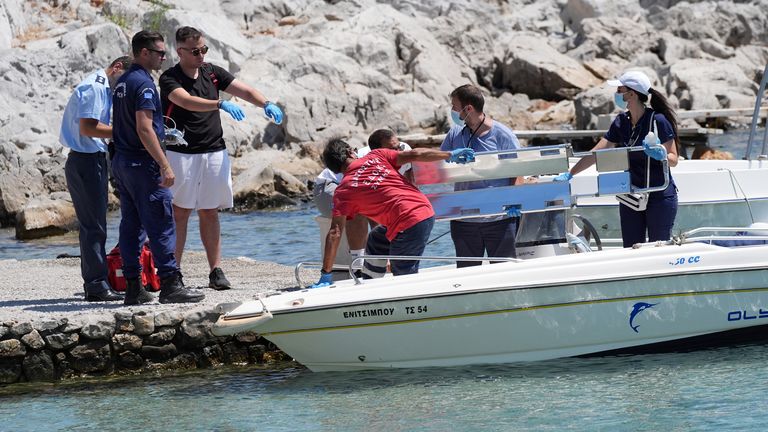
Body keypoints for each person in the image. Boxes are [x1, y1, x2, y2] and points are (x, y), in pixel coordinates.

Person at [159, 26, 284, 291]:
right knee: (179, 213)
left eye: (204, 49)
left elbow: (245, 90)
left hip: (214, 151)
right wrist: (219, 104)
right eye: (195, 51)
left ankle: (215, 271)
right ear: (180, 51)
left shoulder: (212, 72)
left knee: (210, 211)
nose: (201, 55)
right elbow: (186, 101)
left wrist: (266, 103)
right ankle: (173, 273)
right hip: (182, 153)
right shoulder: (169, 77)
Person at [112, 30, 204, 305]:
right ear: (144, 53)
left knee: (131, 224)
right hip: (143, 164)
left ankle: (132, 287)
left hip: (122, 162)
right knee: (162, 223)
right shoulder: (144, 84)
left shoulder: (122, 82)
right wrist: (165, 165)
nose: (164, 57)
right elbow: (144, 127)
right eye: (160, 53)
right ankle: (170, 284)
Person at [310, 138, 475, 287]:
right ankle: (370, 285)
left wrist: (326, 273)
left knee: (403, 275)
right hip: (423, 211)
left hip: (410, 223)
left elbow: (335, 232)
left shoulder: (343, 191)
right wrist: (448, 154)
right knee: (376, 239)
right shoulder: (377, 155)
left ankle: (411, 304)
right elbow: (415, 154)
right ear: (350, 152)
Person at [555, 70, 679, 247]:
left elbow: (674, 159)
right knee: (630, 248)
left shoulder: (658, 120)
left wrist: (661, 155)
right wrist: (570, 174)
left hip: (659, 196)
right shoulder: (621, 121)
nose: (616, 94)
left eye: (620, 90)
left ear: (631, 94)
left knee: (657, 248)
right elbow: (596, 153)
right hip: (631, 196)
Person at [60, 56, 132, 302]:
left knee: (95, 224)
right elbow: (88, 128)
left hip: (91, 158)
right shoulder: (97, 86)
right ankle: (96, 284)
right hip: (85, 159)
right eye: (124, 79)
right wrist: (127, 130)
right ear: (117, 68)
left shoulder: (101, 85)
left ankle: (97, 281)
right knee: (93, 226)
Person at [440, 84, 523, 267]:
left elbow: (518, 171)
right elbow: (439, 164)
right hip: (464, 221)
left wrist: (514, 201)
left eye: (454, 106)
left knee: (503, 273)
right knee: (467, 274)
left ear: (468, 108)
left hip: (499, 220)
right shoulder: (454, 134)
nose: (453, 111)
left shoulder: (503, 135)